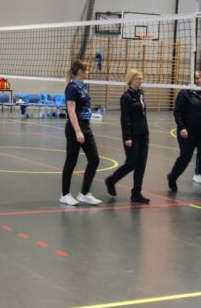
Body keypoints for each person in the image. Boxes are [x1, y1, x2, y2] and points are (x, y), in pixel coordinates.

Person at [104, 69, 150, 204]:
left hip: (144, 134)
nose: (141, 81)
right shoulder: (126, 97)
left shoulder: (141, 94)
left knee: (141, 164)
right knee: (131, 163)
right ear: (131, 80)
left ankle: (136, 193)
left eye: (142, 78)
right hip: (132, 135)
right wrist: (127, 137)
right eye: (139, 79)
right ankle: (111, 180)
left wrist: (146, 132)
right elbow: (125, 119)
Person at [60, 60, 102, 206]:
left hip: (86, 127)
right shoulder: (72, 88)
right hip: (74, 129)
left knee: (94, 159)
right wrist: (78, 131)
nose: (88, 72)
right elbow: (71, 111)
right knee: (71, 161)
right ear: (80, 72)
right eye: (86, 70)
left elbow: (83, 105)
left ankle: (84, 194)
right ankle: (65, 195)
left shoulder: (83, 86)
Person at [167, 84, 201, 199]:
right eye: (196, 77)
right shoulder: (184, 93)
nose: (199, 80)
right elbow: (177, 112)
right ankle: (172, 177)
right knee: (185, 157)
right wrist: (182, 127)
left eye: (200, 77)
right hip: (188, 133)